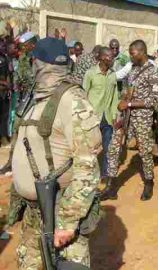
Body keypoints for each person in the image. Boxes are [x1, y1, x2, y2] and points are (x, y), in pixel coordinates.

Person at [11, 37, 101, 269]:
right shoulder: (36, 96)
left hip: (60, 215)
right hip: (33, 215)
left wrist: (68, 222)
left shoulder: (72, 101)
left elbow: (88, 166)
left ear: (37, 64)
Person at [100, 40, 158, 201]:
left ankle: (149, 182)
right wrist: (123, 104)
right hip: (126, 116)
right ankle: (111, 187)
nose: (130, 57)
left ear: (141, 52)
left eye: (132, 53)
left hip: (142, 118)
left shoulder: (153, 72)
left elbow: (154, 101)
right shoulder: (132, 69)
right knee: (113, 148)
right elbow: (128, 90)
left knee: (144, 151)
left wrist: (129, 103)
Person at [83, 47, 120, 181]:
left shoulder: (112, 75)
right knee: (90, 147)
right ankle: (88, 173)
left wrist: (115, 114)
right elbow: (84, 95)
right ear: (103, 58)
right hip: (93, 117)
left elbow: (115, 96)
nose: (112, 59)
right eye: (110, 56)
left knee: (107, 147)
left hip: (108, 117)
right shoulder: (90, 74)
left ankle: (104, 173)